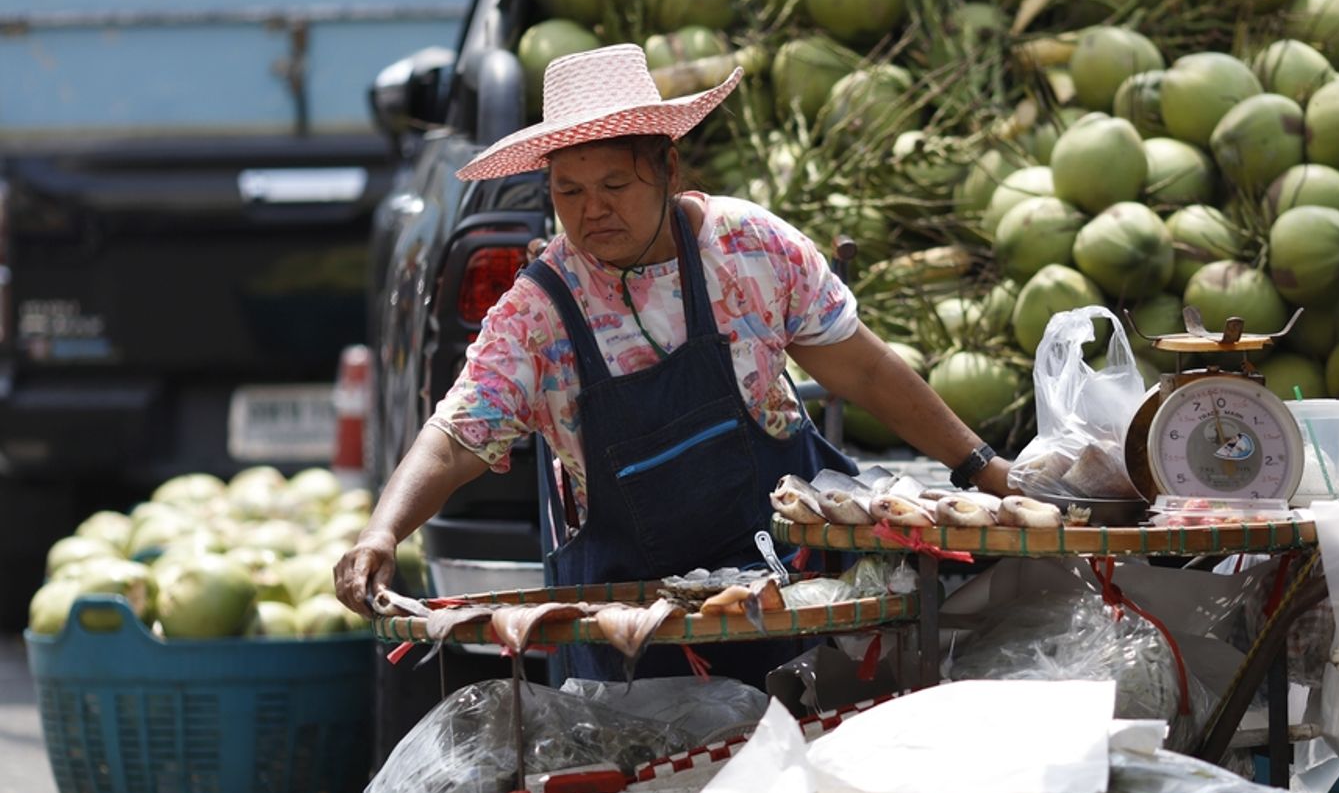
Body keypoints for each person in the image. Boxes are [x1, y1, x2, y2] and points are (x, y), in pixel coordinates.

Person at [334, 43, 1013, 683]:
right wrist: (383, 532)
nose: (593, 211)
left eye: (614, 184)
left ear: (669, 169)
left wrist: (982, 466)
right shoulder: (538, 314)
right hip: (638, 651)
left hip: (794, 606)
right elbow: (457, 438)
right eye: (569, 192)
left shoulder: (749, 249)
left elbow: (864, 370)